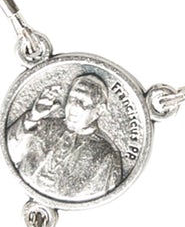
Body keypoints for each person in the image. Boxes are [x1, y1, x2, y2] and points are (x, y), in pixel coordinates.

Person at [9, 71, 124, 201]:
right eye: (71, 99)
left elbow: (99, 199)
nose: (73, 106)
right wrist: (34, 117)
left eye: (82, 102)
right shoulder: (44, 126)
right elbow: (10, 154)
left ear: (99, 110)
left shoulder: (106, 155)